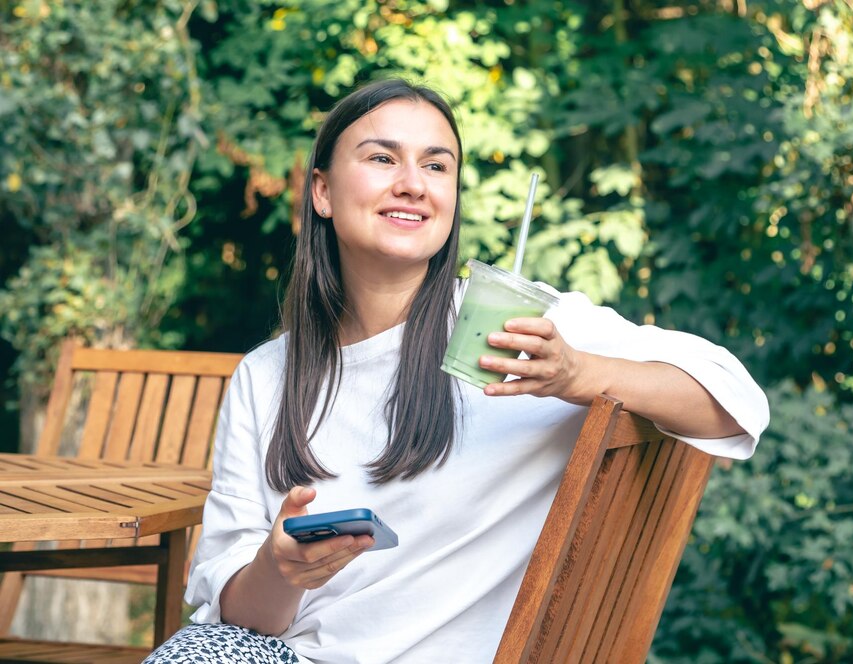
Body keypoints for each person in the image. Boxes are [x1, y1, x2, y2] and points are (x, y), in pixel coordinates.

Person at [145, 78, 769, 664]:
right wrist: (280, 571)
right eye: (383, 159)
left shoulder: (520, 332)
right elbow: (240, 617)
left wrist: (578, 374)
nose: (414, 183)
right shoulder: (265, 375)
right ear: (323, 191)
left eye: (437, 165)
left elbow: (736, 400)